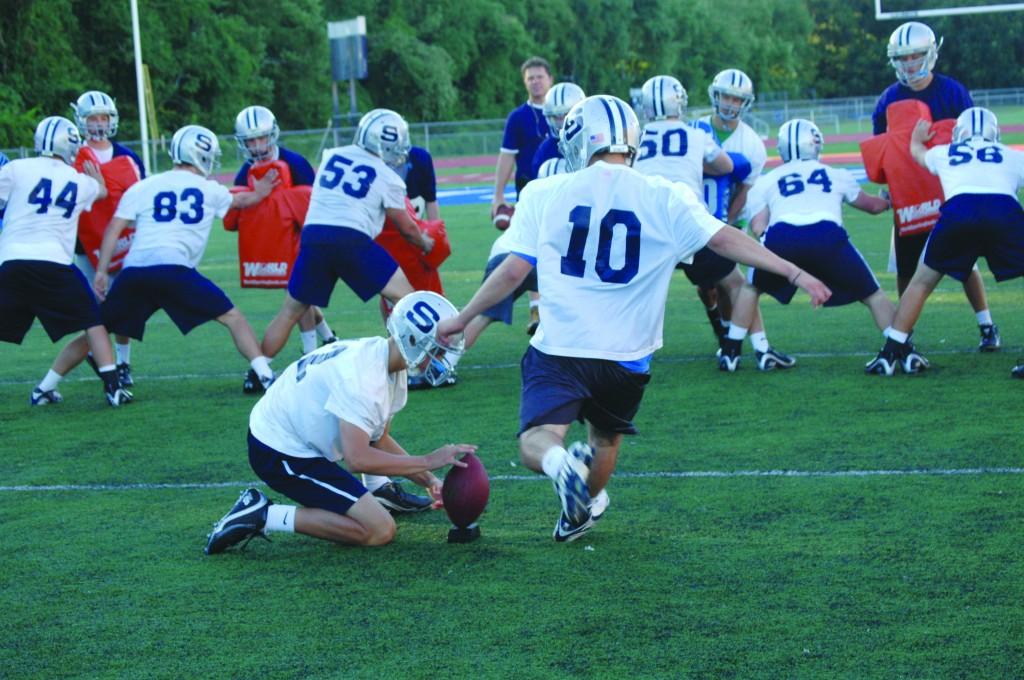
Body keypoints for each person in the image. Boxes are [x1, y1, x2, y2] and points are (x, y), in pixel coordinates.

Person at [437, 95, 829, 543]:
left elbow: (512, 270)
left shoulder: (544, 192)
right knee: (605, 442)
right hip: (627, 353)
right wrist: (795, 271)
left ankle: (559, 465)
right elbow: (724, 239)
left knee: (539, 439)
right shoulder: (663, 193)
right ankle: (579, 512)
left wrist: (463, 317)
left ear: (580, 141)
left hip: (560, 345)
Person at [204, 291, 475, 554]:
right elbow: (357, 458)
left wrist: (429, 481)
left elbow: (376, 438)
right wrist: (428, 461)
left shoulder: (385, 360)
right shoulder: (364, 378)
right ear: (414, 340)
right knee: (379, 530)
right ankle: (263, 514)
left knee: (374, 516)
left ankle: (374, 493)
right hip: (279, 450)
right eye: (437, 351)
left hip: (294, 433)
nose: (441, 360)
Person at [48, 125, 278, 398]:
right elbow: (242, 199)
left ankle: (46, 386)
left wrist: (100, 271)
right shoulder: (209, 188)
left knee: (97, 331)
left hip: (135, 271)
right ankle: (266, 376)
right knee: (232, 317)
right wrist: (262, 192)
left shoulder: (144, 187)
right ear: (200, 155)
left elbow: (114, 228)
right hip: (175, 269)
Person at [259, 109, 433, 362]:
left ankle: (260, 369)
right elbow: (407, 228)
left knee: (289, 311)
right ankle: (423, 360)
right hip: (352, 239)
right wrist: (426, 242)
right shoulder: (387, 176)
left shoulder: (332, 155)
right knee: (407, 299)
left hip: (314, 236)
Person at [721, 119, 895, 371]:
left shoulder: (768, 180)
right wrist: (886, 200)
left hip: (782, 236)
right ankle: (898, 345)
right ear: (815, 145)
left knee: (751, 289)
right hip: (827, 235)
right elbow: (872, 207)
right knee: (873, 294)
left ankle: (731, 351)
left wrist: (773, 250)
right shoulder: (837, 174)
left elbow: (759, 226)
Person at [866, 108, 1024, 378]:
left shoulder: (945, 152)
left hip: (958, 212)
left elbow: (916, 153)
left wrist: (917, 138)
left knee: (922, 281)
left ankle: (892, 350)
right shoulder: (1013, 156)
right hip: (1004, 210)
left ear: (958, 133)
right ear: (995, 134)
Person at [871, 21, 999, 351]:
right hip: (909, 197)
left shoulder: (952, 92)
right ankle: (903, 331)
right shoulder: (887, 100)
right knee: (906, 267)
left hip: (949, 191)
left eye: (915, 56)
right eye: (902, 57)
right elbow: (883, 150)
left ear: (930, 54)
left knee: (965, 263)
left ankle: (986, 324)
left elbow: (973, 143)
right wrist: (891, 185)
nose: (909, 64)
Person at [2, 116, 131, 407]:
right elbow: (101, 192)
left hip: (11, 260)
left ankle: (46, 391)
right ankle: (113, 387)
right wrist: (96, 179)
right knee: (94, 322)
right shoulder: (79, 180)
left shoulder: (16, 168)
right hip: (55, 262)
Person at [231, 105, 336, 368]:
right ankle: (328, 339)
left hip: (303, 239)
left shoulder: (296, 164)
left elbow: (313, 206)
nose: (256, 145)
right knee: (300, 297)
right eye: (250, 140)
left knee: (298, 295)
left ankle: (310, 352)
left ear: (272, 134)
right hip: (276, 242)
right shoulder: (245, 172)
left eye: (260, 137)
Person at [70, 90, 145, 387]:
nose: (99, 123)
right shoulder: (73, 155)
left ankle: (122, 363)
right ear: (81, 121)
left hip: (125, 240)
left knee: (122, 305)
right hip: (86, 243)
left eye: (104, 117)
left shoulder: (128, 156)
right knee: (95, 308)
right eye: (92, 118)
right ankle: (107, 363)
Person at [492, 57, 553, 335]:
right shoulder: (518, 117)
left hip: (563, 188)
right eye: (530, 78)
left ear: (550, 79)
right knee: (531, 244)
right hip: (529, 190)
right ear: (524, 81)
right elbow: (507, 158)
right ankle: (537, 309)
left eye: (540, 76)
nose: (536, 82)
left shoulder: (568, 109)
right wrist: (497, 196)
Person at [530, 82, 585, 179]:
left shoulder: (593, 140)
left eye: (566, 115)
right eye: (556, 117)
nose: (562, 123)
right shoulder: (545, 150)